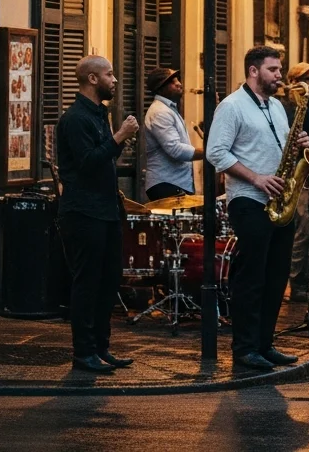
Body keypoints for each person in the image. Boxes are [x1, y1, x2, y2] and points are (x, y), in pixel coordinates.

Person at [206, 45, 309, 371]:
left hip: (281, 200)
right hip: (249, 201)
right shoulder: (232, 106)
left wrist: (299, 145)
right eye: (273, 70)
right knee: (251, 278)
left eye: (279, 69)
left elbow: (280, 144)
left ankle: (265, 344)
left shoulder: (277, 107)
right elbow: (216, 153)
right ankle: (245, 348)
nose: (280, 75)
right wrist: (257, 179)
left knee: (276, 276)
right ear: (253, 71)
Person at [56, 55, 139, 372]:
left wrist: (115, 138)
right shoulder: (76, 118)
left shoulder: (98, 114)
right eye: (110, 74)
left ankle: (101, 347)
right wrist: (120, 136)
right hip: (83, 212)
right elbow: (88, 163)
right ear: (93, 79)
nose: (115, 80)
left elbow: (104, 160)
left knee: (108, 281)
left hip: (105, 210)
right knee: (87, 282)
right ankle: (83, 352)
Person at [281, 61, 309, 302]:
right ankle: (297, 284)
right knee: (303, 232)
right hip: (296, 176)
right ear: (295, 83)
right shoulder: (287, 107)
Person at [143, 66, 203, 201]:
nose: (179, 84)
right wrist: (208, 152)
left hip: (175, 183)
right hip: (167, 184)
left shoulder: (168, 110)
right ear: (160, 88)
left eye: (177, 80)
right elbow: (176, 150)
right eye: (172, 81)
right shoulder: (160, 112)